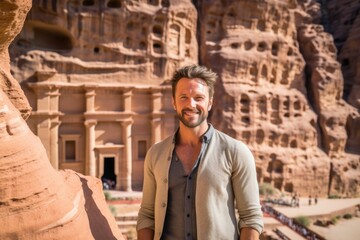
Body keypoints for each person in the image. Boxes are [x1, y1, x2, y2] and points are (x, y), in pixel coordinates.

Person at [136, 65, 263, 240]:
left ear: (210, 102)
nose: (191, 104)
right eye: (183, 97)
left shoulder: (235, 152)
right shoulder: (155, 154)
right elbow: (147, 216)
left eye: (198, 98)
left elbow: (250, 218)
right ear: (173, 102)